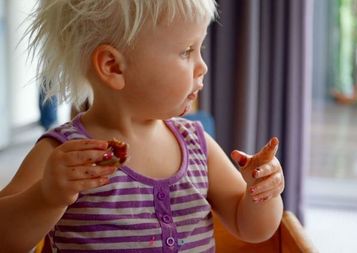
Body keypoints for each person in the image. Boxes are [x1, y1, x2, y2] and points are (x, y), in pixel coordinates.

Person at [0, 1, 285, 252]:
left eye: (200, 48)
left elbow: (252, 228)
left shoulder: (197, 144)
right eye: (186, 51)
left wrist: (262, 194)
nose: (203, 66)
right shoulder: (63, 153)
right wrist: (46, 197)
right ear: (113, 67)